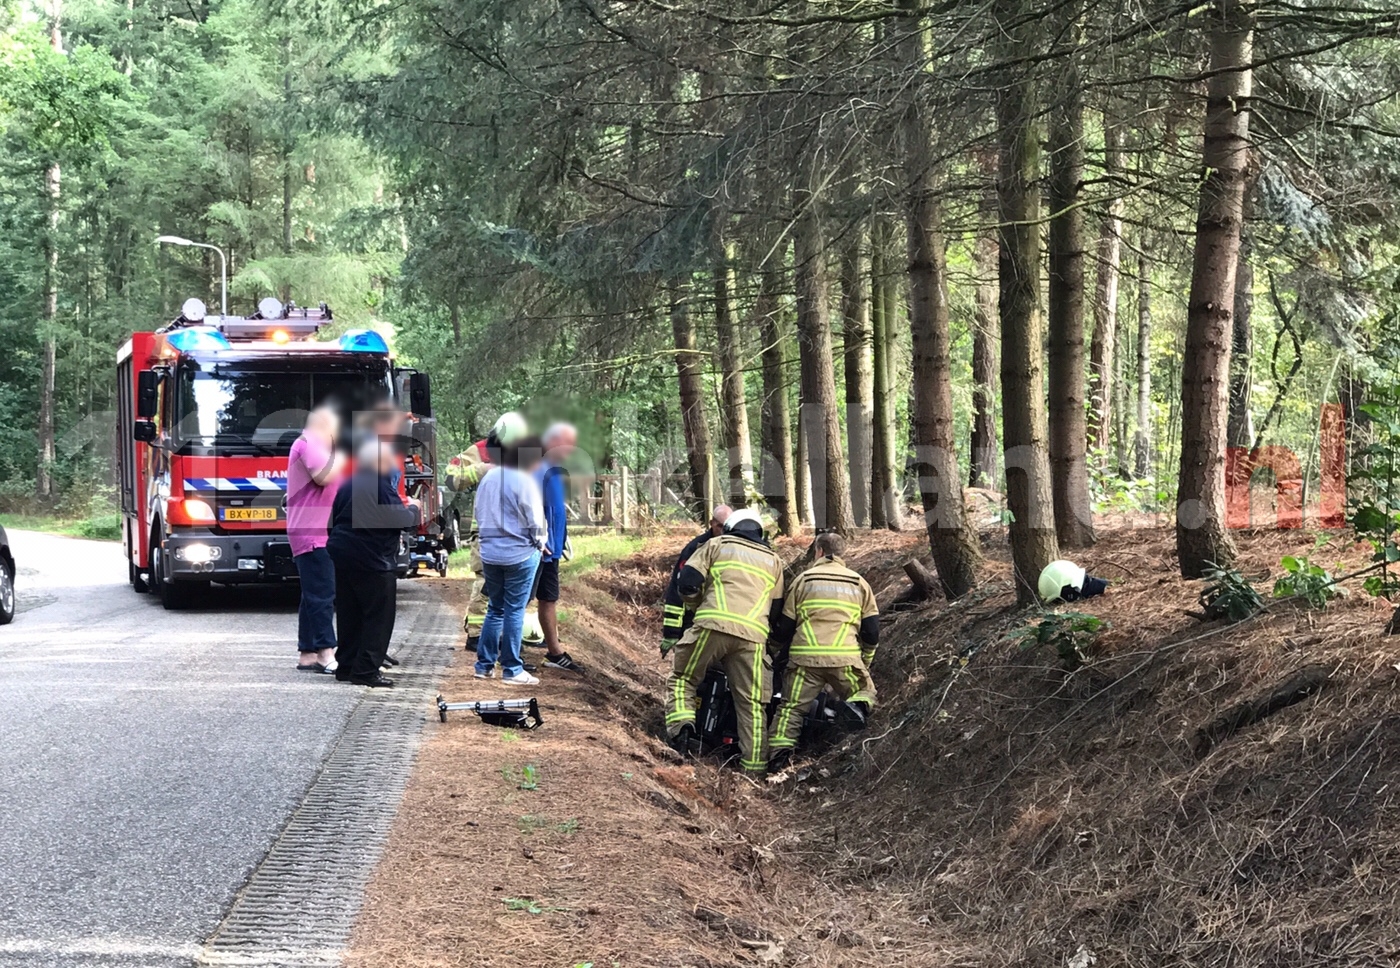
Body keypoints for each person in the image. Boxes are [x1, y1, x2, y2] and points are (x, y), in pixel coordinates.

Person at [662, 508, 783, 776]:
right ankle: (754, 772)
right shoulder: (774, 561)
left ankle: (682, 729)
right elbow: (776, 610)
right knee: (751, 704)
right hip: (753, 637)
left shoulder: (715, 545)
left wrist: (697, 607)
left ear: (729, 527)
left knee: (683, 678)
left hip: (711, 626)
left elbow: (687, 584)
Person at [766, 532, 880, 774]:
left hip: (804, 660)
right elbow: (871, 631)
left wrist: (771, 652)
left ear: (818, 551)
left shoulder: (803, 580)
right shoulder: (858, 583)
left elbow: (785, 626)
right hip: (844, 659)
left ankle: (778, 757)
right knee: (865, 691)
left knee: (791, 709)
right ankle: (855, 711)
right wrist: (865, 661)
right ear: (842, 553)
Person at [326, 438, 421, 687]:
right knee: (378, 616)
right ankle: (366, 670)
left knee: (350, 613)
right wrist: (414, 509)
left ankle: (346, 665)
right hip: (372, 557)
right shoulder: (378, 485)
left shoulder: (349, 483)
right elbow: (397, 518)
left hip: (343, 551)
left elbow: (333, 518)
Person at [473, 434, 547, 685]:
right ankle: (512, 668)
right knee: (515, 610)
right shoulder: (524, 480)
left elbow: (478, 513)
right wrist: (540, 543)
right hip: (519, 553)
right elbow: (535, 519)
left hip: (491, 554)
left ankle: (483, 665)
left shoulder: (489, 477)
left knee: (495, 607)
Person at [287, 404, 346, 673]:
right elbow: (325, 477)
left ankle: (307, 652)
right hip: (314, 531)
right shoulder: (311, 442)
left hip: (312, 528)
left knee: (311, 593)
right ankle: (325, 652)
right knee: (322, 593)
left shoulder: (314, 444)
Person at [535, 422, 582, 671]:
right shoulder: (536, 469)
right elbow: (529, 508)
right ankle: (507, 655)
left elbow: (555, 511)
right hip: (537, 549)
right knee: (516, 602)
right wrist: (538, 540)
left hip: (551, 549)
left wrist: (561, 540)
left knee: (549, 598)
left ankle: (554, 652)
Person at [659, 504, 731, 651]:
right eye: (719, 526)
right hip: (694, 618)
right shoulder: (696, 548)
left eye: (727, 527)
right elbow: (678, 587)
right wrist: (671, 632)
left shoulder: (736, 549)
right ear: (711, 523)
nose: (723, 531)